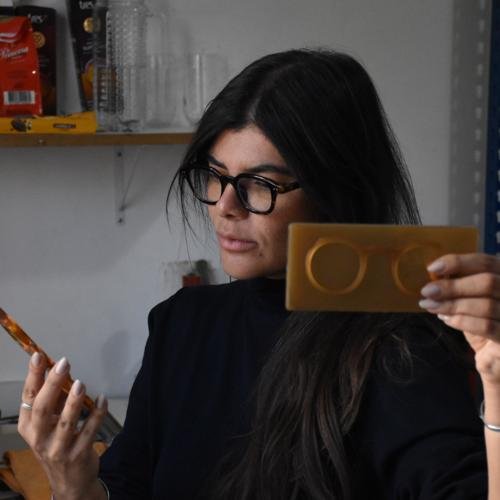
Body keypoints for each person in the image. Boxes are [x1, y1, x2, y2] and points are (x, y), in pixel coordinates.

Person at [17, 49, 500, 500]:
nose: (226, 206)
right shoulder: (181, 324)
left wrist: (497, 384)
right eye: (215, 175)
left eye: (261, 184)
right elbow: (127, 486)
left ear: (335, 190)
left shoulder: (400, 351)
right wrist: (73, 485)